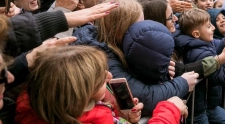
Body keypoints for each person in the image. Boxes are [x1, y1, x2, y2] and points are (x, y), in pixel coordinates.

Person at [15, 45, 144, 124]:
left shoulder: (35, 105)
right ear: (81, 92)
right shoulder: (97, 120)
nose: (109, 76)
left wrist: (117, 112)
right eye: (99, 79)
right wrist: (164, 110)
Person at [175, 8, 225, 124]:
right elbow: (223, 77)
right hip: (197, 111)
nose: (213, 28)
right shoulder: (197, 51)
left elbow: (212, 48)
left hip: (206, 105)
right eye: (208, 26)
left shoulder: (199, 41)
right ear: (196, 34)